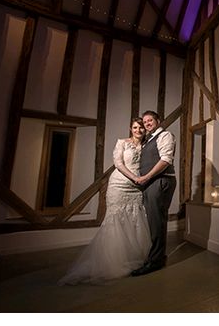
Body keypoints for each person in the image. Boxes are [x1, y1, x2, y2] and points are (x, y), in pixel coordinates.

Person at [58, 118, 151, 285]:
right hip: (120, 184)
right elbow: (118, 163)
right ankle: (112, 262)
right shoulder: (122, 143)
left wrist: (141, 180)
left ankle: (133, 257)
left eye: (141, 128)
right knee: (115, 221)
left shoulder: (147, 145)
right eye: (135, 127)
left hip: (137, 187)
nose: (138, 130)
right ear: (131, 129)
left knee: (134, 219)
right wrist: (135, 178)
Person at [131, 110, 177, 276]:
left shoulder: (165, 135)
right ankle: (157, 256)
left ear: (158, 120)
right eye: (145, 121)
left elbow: (165, 160)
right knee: (153, 221)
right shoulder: (148, 140)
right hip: (151, 182)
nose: (147, 123)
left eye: (150, 120)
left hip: (161, 180)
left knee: (157, 221)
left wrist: (147, 177)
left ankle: (155, 261)